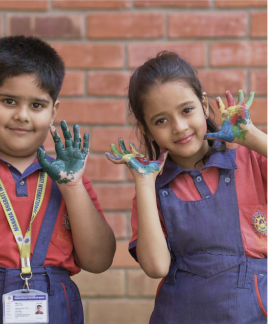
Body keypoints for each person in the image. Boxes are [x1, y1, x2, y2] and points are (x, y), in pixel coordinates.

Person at [0, 36, 116, 324]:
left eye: (37, 105)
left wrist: (72, 186)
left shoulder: (67, 176)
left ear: (53, 113)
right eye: (9, 101)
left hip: (52, 303)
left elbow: (99, 262)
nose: (22, 115)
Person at [106, 50, 268, 323]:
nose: (179, 127)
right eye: (161, 120)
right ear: (146, 130)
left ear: (204, 104)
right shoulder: (153, 189)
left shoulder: (250, 160)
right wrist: (145, 185)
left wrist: (252, 137)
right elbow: (157, 267)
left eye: (187, 110)